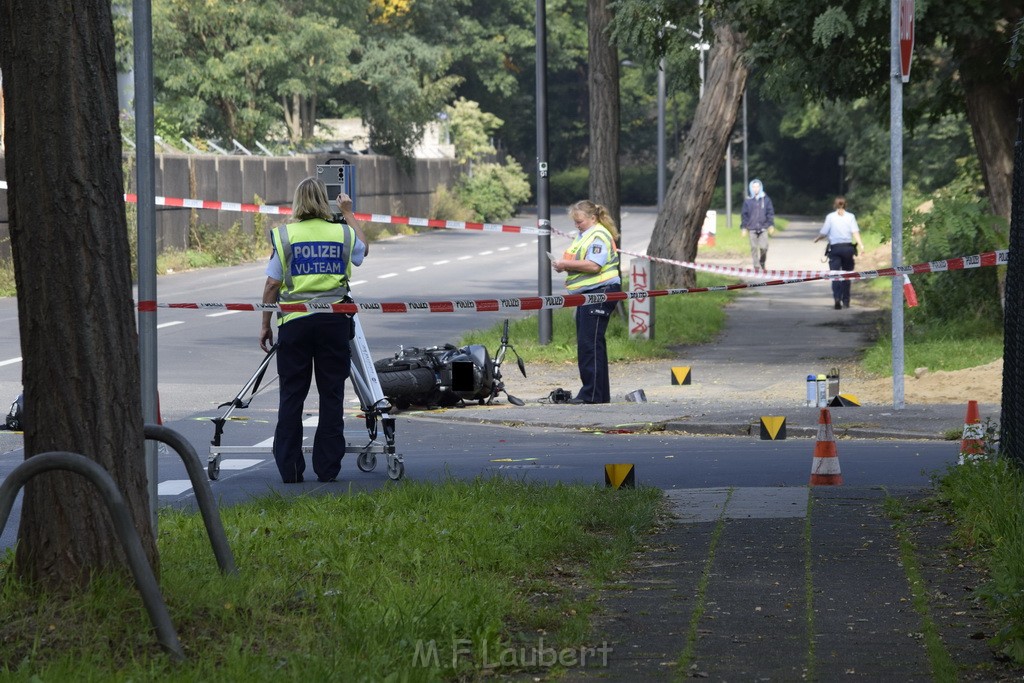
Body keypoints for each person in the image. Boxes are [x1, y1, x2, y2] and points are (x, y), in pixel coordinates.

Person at [259, 178, 368, 483]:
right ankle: (327, 468)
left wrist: (265, 324)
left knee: (293, 395)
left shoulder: (285, 235)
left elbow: (272, 284)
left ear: (296, 202)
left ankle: (291, 470)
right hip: (334, 324)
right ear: (325, 201)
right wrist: (347, 213)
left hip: (295, 325)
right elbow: (364, 251)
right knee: (331, 394)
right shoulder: (342, 232)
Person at [550, 200, 621, 404]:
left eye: (579, 221)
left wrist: (565, 264)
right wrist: (566, 266)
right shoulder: (586, 235)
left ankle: (591, 394)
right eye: (575, 221)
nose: (576, 225)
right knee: (591, 344)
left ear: (592, 218)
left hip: (600, 292)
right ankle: (599, 394)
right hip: (590, 293)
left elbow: (594, 265)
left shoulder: (598, 235)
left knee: (589, 345)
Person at [813, 196, 865, 310]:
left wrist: (817, 239)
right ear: (845, 205)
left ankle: (837, 298)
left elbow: (824, 232)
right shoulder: (851, 217)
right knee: (847, 275)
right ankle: (846, 301)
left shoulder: (830, 217)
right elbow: (855, 232)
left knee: (835, 275)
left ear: (834, 205)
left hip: (835, 249)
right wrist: (861, 245)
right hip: (847, 249)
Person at [740, 178, 775, 270]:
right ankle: (756, 265)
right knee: (754, 248)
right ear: (751, 188)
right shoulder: (748, 201)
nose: (756, 189)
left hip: (763, 228)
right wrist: (744, 227)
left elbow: (770, 213)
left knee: (764, 248)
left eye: (757, 187)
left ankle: (762, 262)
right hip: (752, 228)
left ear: (761, 187)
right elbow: (744, 215)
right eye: (754, 187)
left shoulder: (766, 199)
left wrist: (771, 224)